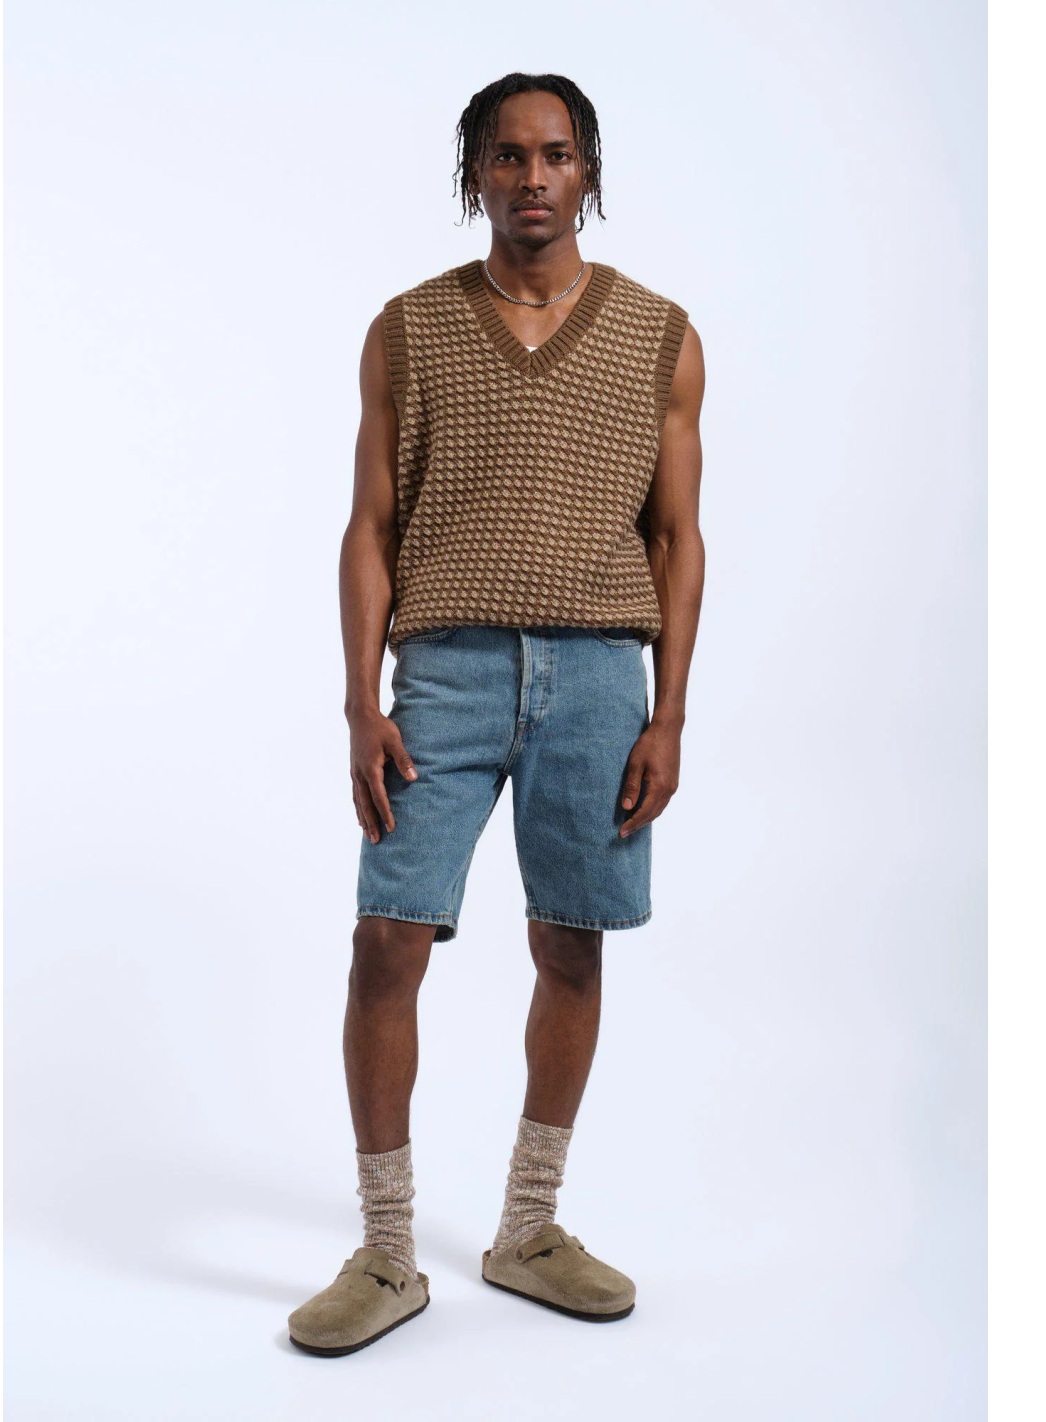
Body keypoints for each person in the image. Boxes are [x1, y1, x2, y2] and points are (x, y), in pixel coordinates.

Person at [288, 71, 706, 1356]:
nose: (533, 178)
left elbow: (677, 536)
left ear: (589, 172)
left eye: (556, 154)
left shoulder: (659, 335)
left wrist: (668, 715)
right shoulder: (407, 330)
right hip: (447, 675)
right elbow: (369, 527)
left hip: (600, 681)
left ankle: (527, 1229)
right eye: (509, 156)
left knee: (572, 947)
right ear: (474, 173)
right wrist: (359, 702)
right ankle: (385, 1251)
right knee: (385, 944)